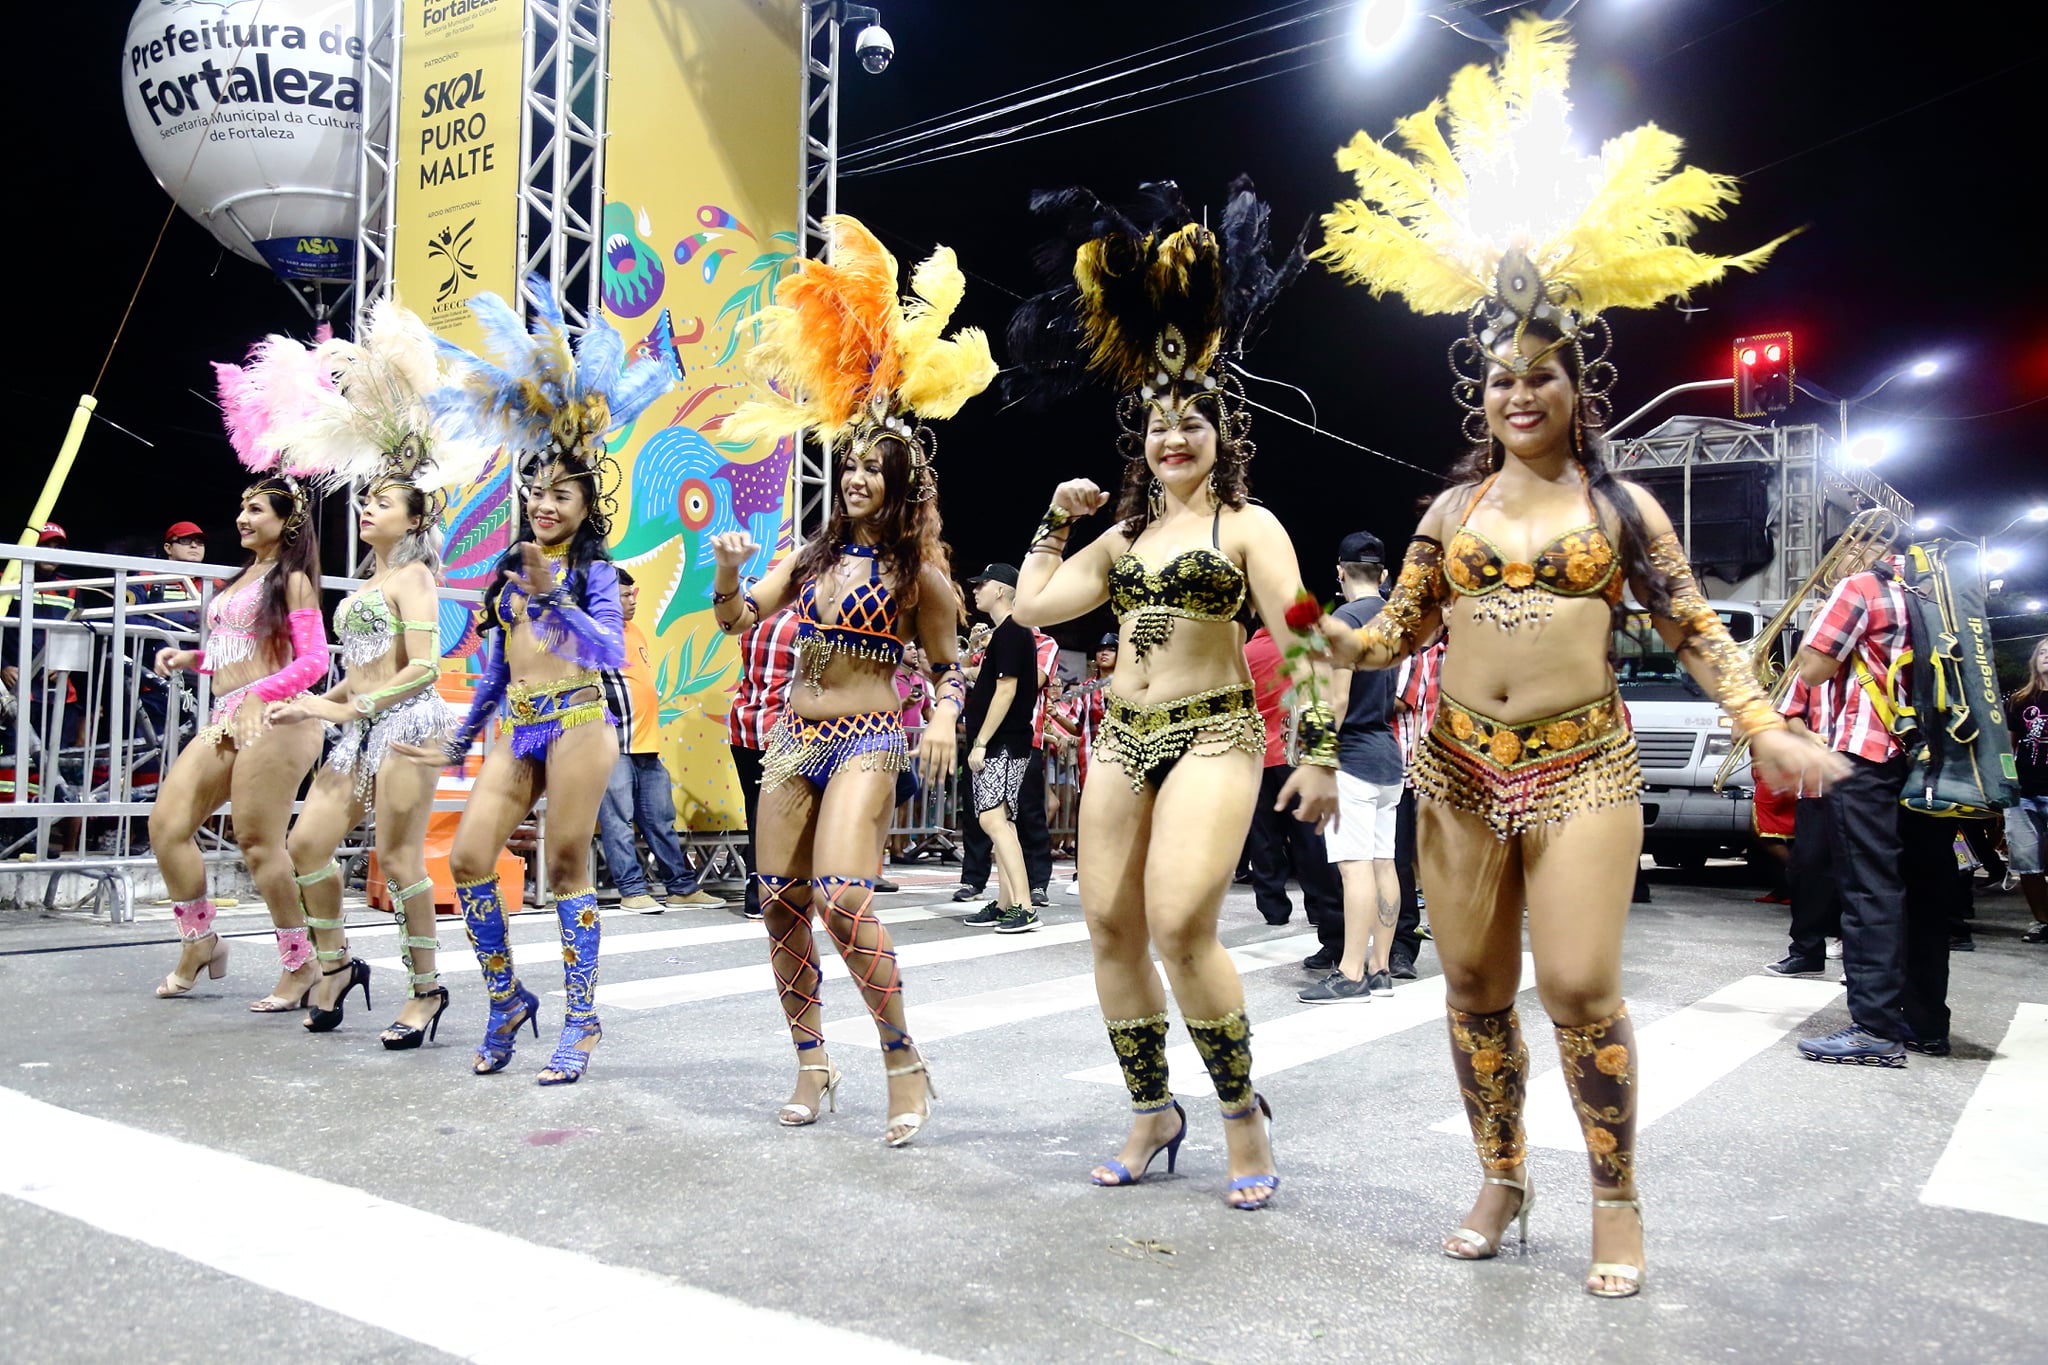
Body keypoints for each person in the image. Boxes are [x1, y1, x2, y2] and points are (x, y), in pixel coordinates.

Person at [1315, 19, 1835, 1294]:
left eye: (1539, 376)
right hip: (1454, 769)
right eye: (1500, 378)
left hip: (1582, 767)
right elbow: (1395, 633)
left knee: (1581, 984)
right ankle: (1501, 1177)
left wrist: (1761, 722)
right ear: (1479, 393)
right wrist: (1318, 629)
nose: (1518, 394)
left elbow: (1691, 624)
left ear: (1575, 387)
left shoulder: (1619, 508)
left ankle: (1614, 1195)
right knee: (1471, 985)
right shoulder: (1450, 512)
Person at [1008, 177, 1335, 1209]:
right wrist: (1054, 520)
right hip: (1122, 737)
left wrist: (1319, 748)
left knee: (1182, 919)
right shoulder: (1124, 535)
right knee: (1109, 925)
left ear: (1222, 431)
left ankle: (1240, 1112)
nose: (1172, 437)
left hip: (1214, 736)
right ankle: (1152, 1110)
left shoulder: (1250, 526)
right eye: (1157, 424)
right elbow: (1035, 607)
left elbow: (1303, 631)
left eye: (1191, 421)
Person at [711, 216, 994, 1144]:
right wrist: (726, 572)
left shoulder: (921, 577)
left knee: (840, 896)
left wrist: (943, 718)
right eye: (852, 464)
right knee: (779, 902)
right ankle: (811, 1062)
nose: (858, 477)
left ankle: (903, 1060)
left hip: (869, 739)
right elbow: (737, 618)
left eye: (875, 466)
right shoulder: (809, 557)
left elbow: (952, 666)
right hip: (793, 739)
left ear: (901, 481)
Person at [410, 284, 675, 1085]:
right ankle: (505, 999)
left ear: (587, 503)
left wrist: (553, 592)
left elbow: (607, 649)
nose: (543, 503)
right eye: (536, 491)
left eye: (560, 493)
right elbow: (498, 668)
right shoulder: (508, 569)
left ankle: (582, 1019)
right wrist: (462, 736)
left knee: (565, 866)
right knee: (467, 858)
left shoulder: (592, 573)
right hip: (518, 726)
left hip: (581, 725)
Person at [262, 301, 484, 1043]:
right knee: (305, 847)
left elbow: (423, 669)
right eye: (367, 498)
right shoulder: (368, 583)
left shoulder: (414, 577)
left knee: (397, 858)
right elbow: (359, 673)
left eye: (382, 501)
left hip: (407, 728)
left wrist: (345, 710)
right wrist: (312, 700)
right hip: (359, 730)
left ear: (414, 519)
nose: (366, 507)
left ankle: (426, 989)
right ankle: (335, 965)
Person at [150, 332, 333, 1007]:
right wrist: (192, 658)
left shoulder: (293, 580)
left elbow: (313, 661)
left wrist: (259, 697)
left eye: (255, 508)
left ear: (287, 522)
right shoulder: (241, 579)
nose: (241, 516)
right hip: (231, 714)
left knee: (258, 842)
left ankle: (300, 962)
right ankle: (200, 939)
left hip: (280, 718)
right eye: (242, 507)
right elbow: (240, 653)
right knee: (167, 824)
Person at [1788, 526, 1961, 1061]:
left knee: (1869, 891)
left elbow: (1814, 667)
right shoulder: (1940, 590)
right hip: (1933, 760)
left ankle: (1875, 1028)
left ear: (1858, 548)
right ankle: (1926, 1023)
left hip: (1870, 754)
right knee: (1926, 889)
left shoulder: (1861, 586)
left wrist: (1816, 624)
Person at [1302, 532, 1404, 1003]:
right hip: (1387, 753)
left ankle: (1350, 973)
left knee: (1354, 867)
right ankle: (1381, 969)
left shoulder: (1344, 620)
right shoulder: (1393, 619)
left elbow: (1337, 699)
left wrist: (1317, 757)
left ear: (1340, 571)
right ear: (1383, 574)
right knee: (1384, 862)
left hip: (1354, 757)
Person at [597, 567, 722, 912]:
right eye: (625, 595)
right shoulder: (595, 635)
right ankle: (631, 890)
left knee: (660, 820)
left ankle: (681, 887)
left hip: (647, 745)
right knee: (618, 821)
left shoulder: (635, 631)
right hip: (615, 746)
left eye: (633, 593)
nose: (633, 601)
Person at [1243, 618, 1343, 935]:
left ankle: (1273, 909)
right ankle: (1319, 907)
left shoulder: (1244, 653)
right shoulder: (1300, 649)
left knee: (1264, 836)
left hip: (1256, 754)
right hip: (1295, 753)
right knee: (1308, 834)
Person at [959, 564, 1041, 932]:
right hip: (1006, 740)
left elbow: (1006, 691)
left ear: (1002, 590)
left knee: (993, 820)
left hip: (1003, 742)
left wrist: (981, 742)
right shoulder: (1008, 633)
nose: (976, 590)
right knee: (1001, 821)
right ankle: (1008, 902)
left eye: (983, 584)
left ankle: (1024, 905)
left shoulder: (1012, 631)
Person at [727, 607, 800, 921]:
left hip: (743, 724)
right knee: (775, 818)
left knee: (757, 813)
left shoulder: (750, 622)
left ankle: (755, 892)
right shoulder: (803, 626)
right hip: (782, 729)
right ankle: (765, 895)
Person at [1388, 635, 1445, 977]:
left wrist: (1346, 694)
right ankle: (1341, 944)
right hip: (1379, 767)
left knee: (1399, 863)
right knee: (1370, 864)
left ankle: (1402, 945)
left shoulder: (1410, 655)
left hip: (1407, 771)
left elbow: (1399, 702)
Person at [2008, 639, 2048, 943]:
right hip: (2023, 793)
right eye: (2043, 652)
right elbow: (2007, 747)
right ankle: (2043, 921)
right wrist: (2006, 783)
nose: (2047, 657)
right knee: (2026, 862)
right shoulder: (2019, 700)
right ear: (2034, 660)